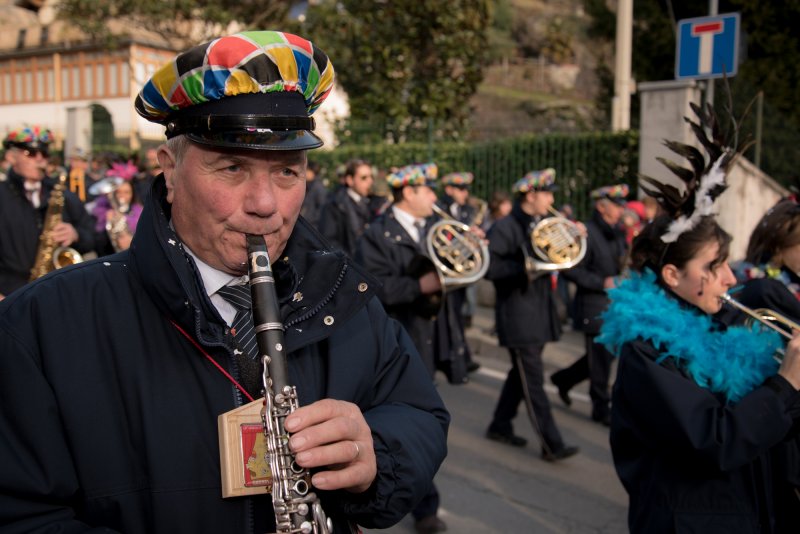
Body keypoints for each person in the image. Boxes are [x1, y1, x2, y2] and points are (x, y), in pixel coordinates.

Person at [0, 30, 449, 533]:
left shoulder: (343, 297)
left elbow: (418, 412)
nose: (265, 204)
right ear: (169, 171)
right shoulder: (40, 323)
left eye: (287, 172)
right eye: (232, 167)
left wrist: (376, 454)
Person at [597, 111, 800, 533]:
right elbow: (717, 440)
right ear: (672, 276)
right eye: (715, 265)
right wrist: (786, 385)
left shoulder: (723, 323)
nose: (730, 278)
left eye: (727, 263)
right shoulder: (646, 354)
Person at [356, 162, 468, 533]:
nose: (435, 197)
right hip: (400, 338)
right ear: (408, 192)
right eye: (428, 190)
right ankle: (424, 506)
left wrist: (470, 252)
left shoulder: (437, 230)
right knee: (413, 421)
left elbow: (454, 278)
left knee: (428, 418)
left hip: (434, 334)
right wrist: (420, 287)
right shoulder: (377, 234)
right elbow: (373, 288)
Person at [484, 168, 579, 462]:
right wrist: (524, 269)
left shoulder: (545, 224)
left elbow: (563, 261)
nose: (551, 199)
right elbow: (490, 268)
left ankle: (500, 424)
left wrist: (573, 238)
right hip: (519, 313)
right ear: (531, 195)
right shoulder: (505, 227)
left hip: (539, 310)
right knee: (533, 379)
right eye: (547, 193)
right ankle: (551, 443)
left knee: (521, 374)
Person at [552, 184, 630, 426]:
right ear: (601, 206)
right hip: (592, 303)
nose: (620, 210)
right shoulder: (587, 233)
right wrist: (601, 282)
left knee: (604, 356)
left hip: (613, 304)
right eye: (616, 205)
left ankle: (563, 379)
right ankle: (600, 406)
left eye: (620, 206)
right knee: (601, 358)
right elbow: (570, 269)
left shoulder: (616, 233)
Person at [0, 125, 96, 300]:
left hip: (55, 293)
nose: (40, 159)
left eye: (44, 153)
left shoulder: (64, 195)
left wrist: (77, 235)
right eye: (31, 153)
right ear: (11, 157)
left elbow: (94, 235)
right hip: (9, 295)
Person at [318, 158, 374, 258]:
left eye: (371, 177)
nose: (370, 181)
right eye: (364, 178)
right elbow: (329, 243)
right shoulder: (334, 205)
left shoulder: (371, 202)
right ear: (350, 180)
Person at [92, 161, 145, 254]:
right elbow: (95, 244)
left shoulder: (140, 213)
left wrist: (132, 241)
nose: (122, 196)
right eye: (118, 192)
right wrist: (107, 224)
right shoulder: (102, 212)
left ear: (132, 194)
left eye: (126, 192)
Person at [299, 160, 327, 227]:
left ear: (312, 172)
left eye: (307, 170)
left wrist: (313, 220)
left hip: (313, 225)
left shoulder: (318, 187)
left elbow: (322, 208)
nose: (305, 173)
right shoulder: (310, 185)